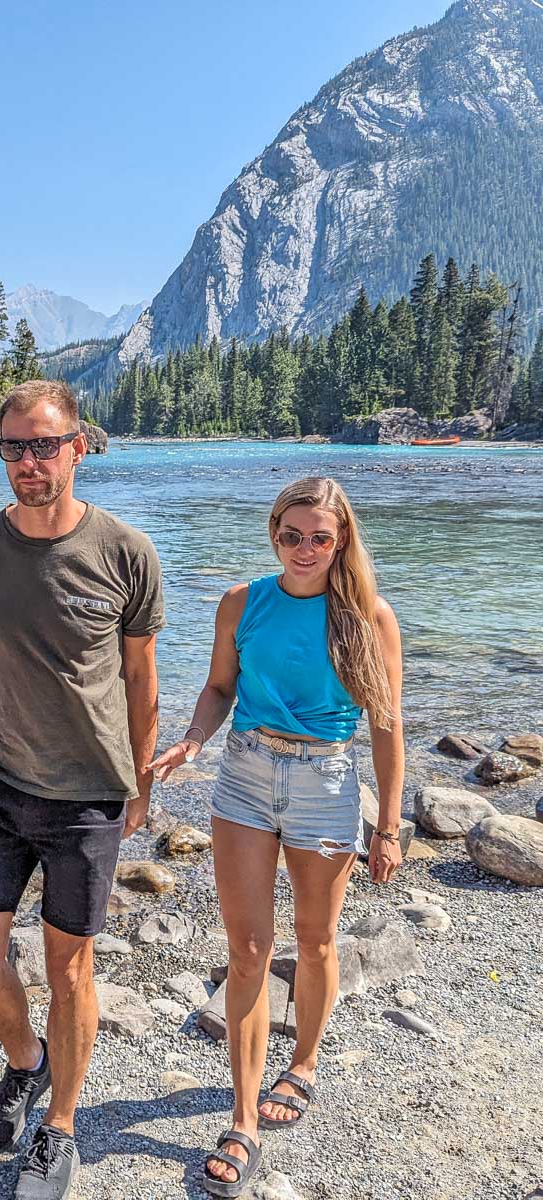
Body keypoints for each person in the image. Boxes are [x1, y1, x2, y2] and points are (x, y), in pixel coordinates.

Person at [0, 380, 164, 1200]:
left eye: (44, 445)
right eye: (12, 447)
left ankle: (63, 1126)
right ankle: (27, 1062)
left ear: (80, 447)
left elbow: (141, 680)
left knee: (71, 971)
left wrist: (141, 783)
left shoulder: (126, 552)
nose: (27, 462)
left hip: (88, 794)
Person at [147, 476, 404, 1198]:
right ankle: (242, 1117)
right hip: (246, 776)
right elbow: (220, 688)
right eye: (290, 535)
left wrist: (387, 825)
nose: (304, 549)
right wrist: (193, 739)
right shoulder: (242, 602)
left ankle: (306, 1064)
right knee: (248, 948)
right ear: (273, 533)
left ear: (342, 539)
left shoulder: (368, 617)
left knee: (316, 940)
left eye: (320, 537)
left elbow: (387, 726)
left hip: (326, 785)